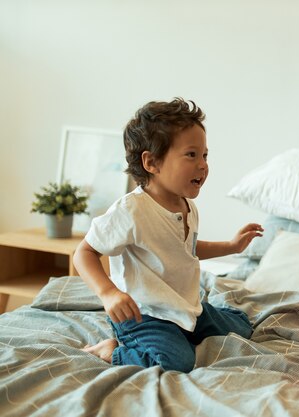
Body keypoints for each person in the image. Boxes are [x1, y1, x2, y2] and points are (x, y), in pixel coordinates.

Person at [74, 98, 263, 373]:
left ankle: (187, 329)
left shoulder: (187, 205)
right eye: (191, 155)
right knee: (177, 361)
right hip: (143, 314)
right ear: (152, 162)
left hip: (183, 306)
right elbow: (84, 253)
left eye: (205, 155)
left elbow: (186, 249)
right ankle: (113, 350)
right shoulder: (131, 211)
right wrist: (109, 293)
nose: (203, 165)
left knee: (242, 326)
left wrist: (232, 246)